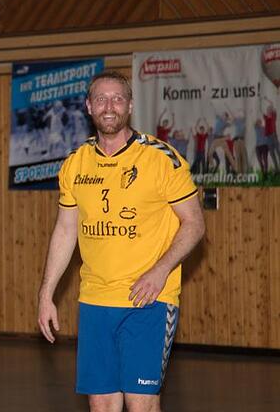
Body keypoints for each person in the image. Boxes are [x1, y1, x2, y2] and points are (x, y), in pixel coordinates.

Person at [37, 71, 205, 412]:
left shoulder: (161, 158)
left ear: (129, 105)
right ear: (88, 106)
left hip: (149, 301)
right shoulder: (74, 164)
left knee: (141, 405)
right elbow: (66, 230)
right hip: (95, 301)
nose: (109, 106)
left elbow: (195, 224)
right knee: (101, 406)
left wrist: (160, 271)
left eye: (117, 99)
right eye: (101, 99)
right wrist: (46, 293)